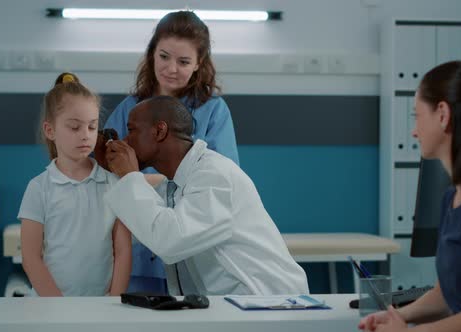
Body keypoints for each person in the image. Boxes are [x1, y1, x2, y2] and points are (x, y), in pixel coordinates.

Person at [103, 95, 308, 295]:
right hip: (237, 305)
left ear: (160, 131)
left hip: (268, 302)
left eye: (131, 131)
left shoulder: (214, 176)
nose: (126, 141)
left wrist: (130, 176)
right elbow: (141, 222)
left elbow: (169, 241)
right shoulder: (175, 185)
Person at [102, 10, 239, 293]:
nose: (171, 68)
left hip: (194, 250)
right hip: (136, 250)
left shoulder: (213, 111)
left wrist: (142, 179)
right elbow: (105, 170)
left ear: (199, 63)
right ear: (152, 53)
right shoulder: (128, 109)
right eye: (164, 56)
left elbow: (222, 180)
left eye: (184, 61)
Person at [359, 61, 461, 331]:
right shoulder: (452, 198)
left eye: (416, 116)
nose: (414, 131)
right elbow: (446, 294)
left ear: (442, 114)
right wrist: (398, 316)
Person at [18, 73, 132, 296]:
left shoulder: (113, 183)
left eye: (92, 127)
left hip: (102, 307)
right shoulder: (39, 188)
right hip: (52, 308)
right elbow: (30, 257)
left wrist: (113, 301)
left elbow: (123, 249)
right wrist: (58, 307)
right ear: (50, 130)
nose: (85, 136)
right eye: (74, 127)